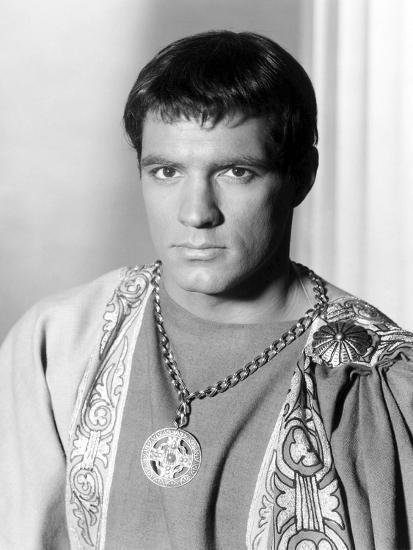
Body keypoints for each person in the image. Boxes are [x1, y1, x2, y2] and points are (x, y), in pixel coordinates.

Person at [1, 30, 413, 550]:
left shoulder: (379, 379)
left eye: (237, 172)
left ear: (301, 176)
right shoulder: (57, 346)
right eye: (166, 171)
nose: (197, 213)